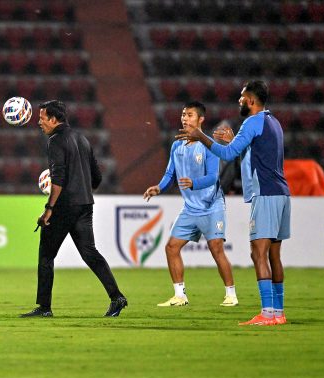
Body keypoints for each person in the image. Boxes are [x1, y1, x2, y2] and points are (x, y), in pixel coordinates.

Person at [177, 80, 290, 326]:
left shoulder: (252, 122)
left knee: (257, 253)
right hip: (282, 193)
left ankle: (267, 313)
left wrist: (201, 136)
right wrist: (233, 141)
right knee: (274, 256)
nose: (239, 100)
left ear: (250, 100)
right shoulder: (274, 122)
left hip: (267, 194)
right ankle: (279, 313)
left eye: (241, 97)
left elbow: (227, 155)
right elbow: (256, 154)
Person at [21, 100, 127, 318]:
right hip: (85, 204)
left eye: (42, 118)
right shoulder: (82, 139)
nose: (39, 122)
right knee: (90, 253)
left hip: (63, 207)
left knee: (46, 257)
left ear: (53, 119)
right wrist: (82, 191)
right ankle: (117, 297)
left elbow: (57, 179)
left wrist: (49, 208)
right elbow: (97, 177)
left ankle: (44, 307)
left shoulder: (55, 141)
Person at [143, 101, 238, 308]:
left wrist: (194, 183)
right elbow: (170, 174)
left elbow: (213, 177)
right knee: (171, 247)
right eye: (183, 114)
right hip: (190, 208)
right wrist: (159, 187)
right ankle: (180, 295)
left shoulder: (209, 145)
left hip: (212, 206)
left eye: (190, 115)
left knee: (216, 249)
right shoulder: (177, 145)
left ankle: (231, 294)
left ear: (201, 119)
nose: (185, 118)